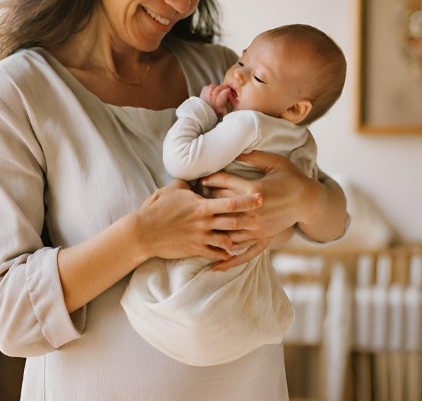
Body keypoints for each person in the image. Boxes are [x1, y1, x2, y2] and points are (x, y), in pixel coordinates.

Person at [0, 0, 349, 399]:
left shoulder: (223, 76)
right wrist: (141, 237)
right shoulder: (17, 92)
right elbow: (6, 313)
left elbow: (331, 220)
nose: (184, 2)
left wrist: (303, 198)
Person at [121, 24, 347, 367]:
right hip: (241, 263)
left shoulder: (248, 125)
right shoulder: (302, 143)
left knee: (160, 297)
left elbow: (180, 159)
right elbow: (294, 222)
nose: (237, 76)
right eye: (242, 61)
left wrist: (200, 110)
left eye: (258, 78)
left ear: (296, 110)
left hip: (207, 248)